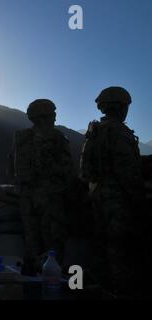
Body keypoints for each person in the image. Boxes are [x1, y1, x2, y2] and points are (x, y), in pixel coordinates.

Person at [80, 86, 146, 297]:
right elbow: (128, 172)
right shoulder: (118, 131)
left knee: (99, 246)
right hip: (117, 200)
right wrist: (139, 201)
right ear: (120, 107)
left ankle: (98, 288)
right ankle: (118, 292)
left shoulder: (96, 131)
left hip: (97, 195)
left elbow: (86, 170)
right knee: (119, 249)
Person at [8, 99, 74, 273]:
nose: (55, 116)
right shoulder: (57, 137)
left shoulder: (21, 138)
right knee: (53, 246)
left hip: (25, 197)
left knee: (31, 243)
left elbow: (10, 167)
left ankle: (31, 281)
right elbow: (68, 171)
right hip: (50, 198)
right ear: (45, 116)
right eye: (52, 113)